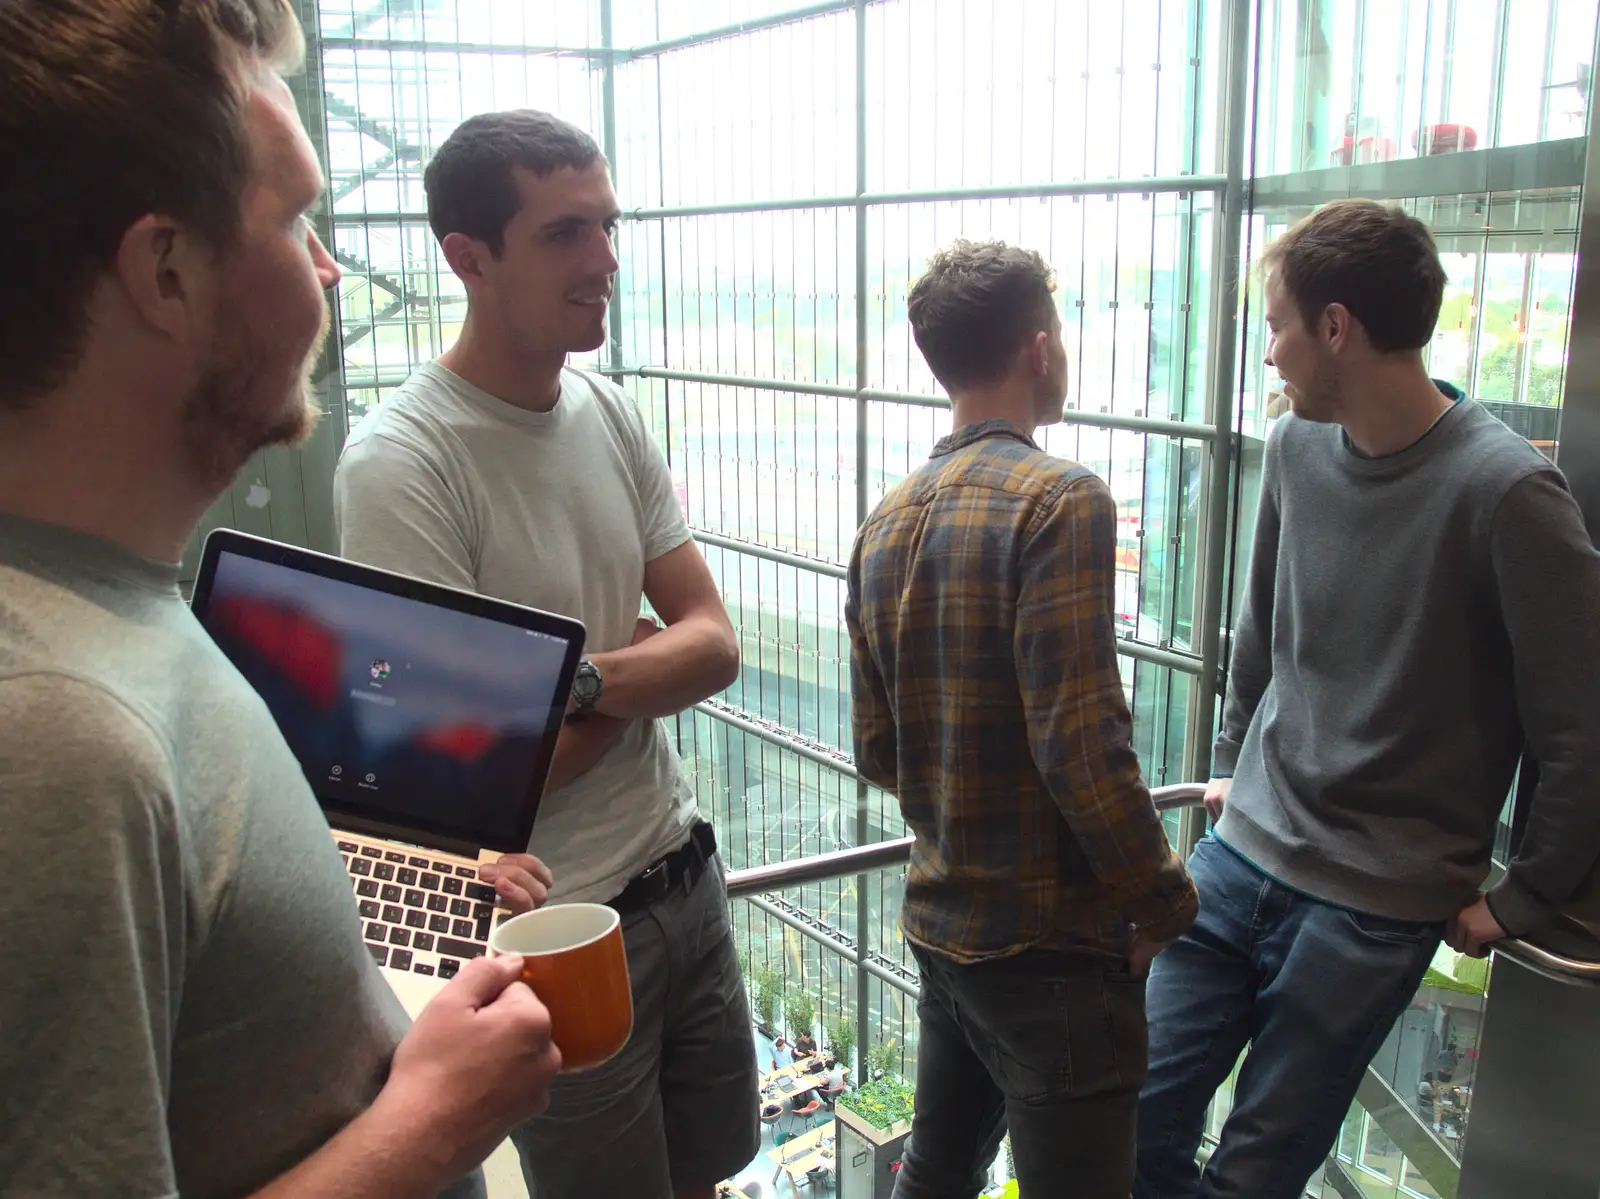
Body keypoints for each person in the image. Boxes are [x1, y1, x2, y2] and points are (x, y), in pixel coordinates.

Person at [0, 4, 564, 1197]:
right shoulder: (52, 729)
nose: (328, 266)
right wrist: (432, 1116)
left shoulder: (108, 611)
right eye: (299, 216)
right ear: (166, 269)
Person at [333, 109, 760, 1199]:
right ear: (467, 258)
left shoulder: (608, 413)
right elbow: (465, 780)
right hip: (557, 930)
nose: (607, 259)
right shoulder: (403, 464)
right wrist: (632, 671)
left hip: (682, 873)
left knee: (710, 1172)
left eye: (607, 225)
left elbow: (714, 645)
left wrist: (563, 688)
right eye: (567, 232)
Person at [1135, 199, 1600, 1199]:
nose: (1269, 354)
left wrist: (1523, 895)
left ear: (1335, 326)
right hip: (1237, 857)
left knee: (1254, 1171)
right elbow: (1257, 634)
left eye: (1275, 325)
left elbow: (1580, 722)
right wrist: (1228, 762)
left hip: (1373, 907)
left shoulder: (1506, 491)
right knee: (1129, 1119)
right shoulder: (1296, 450)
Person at [845, 240, 1200, 1199]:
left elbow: (876, 746)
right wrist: (1167, 897)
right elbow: (1082, 747)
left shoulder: (883, 520)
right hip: (1052, 952)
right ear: (1039, 350)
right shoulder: (1060, 499)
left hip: (944, 924)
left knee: (938, 1171)